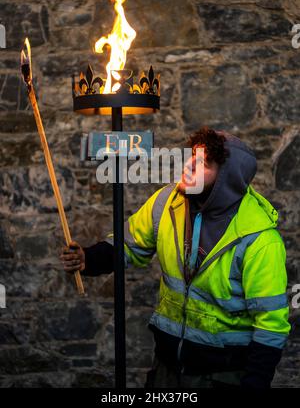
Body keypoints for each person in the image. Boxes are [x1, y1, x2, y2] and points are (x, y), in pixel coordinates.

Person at [60, 127, 290, 389]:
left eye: (203, 162)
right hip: (166, 369)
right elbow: (128, 245)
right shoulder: (166, 203)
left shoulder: (259, 240)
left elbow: (271, 326)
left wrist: (255, 384)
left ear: (227, 178)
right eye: (192, 155)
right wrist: (87, 259)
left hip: (224, 375)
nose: (189, 164)